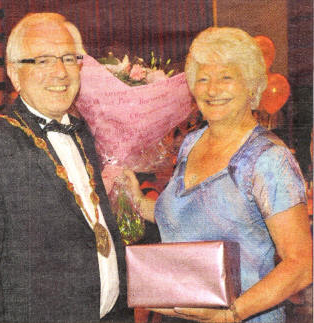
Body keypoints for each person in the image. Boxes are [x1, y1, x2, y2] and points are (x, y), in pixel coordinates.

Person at [124, 27, 312, 322]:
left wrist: (231, 314)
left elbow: (301, 265)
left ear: (251, 85)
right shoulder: (191, 143)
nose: (212, 90)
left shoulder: (267, 159)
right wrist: (134, 199)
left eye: (226, 77)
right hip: (181, 315)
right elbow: (185, 218)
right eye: (203, 78)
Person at [0, 13, 130, 323]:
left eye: (69, 58)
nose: (60, 72)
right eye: (42, 61)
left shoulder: (82, 135)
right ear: (15, 73)